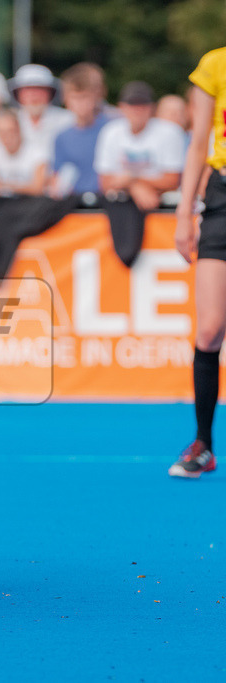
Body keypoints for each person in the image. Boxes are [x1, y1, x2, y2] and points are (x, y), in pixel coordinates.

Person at [170, 46, 226, 478]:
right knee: (208, 329)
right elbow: (198, 141)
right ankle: (203, 444)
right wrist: (185, 211)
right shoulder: (215, 64)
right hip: (222, 197)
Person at [95, 81, 185, 211]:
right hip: (125, 205)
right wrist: (135, 187)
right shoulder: (110, 132)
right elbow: (105, 183)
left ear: (152, 107)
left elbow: (172, 181)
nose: (137, 110)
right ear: (122, 107)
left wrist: (130, 180)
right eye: (132, 104)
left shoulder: (170, 131)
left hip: (163, 205)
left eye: (143, 104)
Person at [50, 62, 111, 198]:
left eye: (84, 97)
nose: (80, 104)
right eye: (75, 98)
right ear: (65, 99)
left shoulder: (112, 129)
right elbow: (57, 175)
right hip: (74, 204)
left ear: (96, 96)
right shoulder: (62, 137)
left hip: (107, 200)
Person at [9, 64, 74, 162]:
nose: (34, 96)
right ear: (18, 94)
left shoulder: (68, 120)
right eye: (28, 90)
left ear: (50, 93)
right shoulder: (9, 122)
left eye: (39, 90)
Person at [0, 108, 48, 196]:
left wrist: (5, 186)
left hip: (29, 202)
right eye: (1, 132)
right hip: (2, 202)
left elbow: (38, 188)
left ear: (19, 129)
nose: (6, 137)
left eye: (10, 131)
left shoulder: (37, 151)